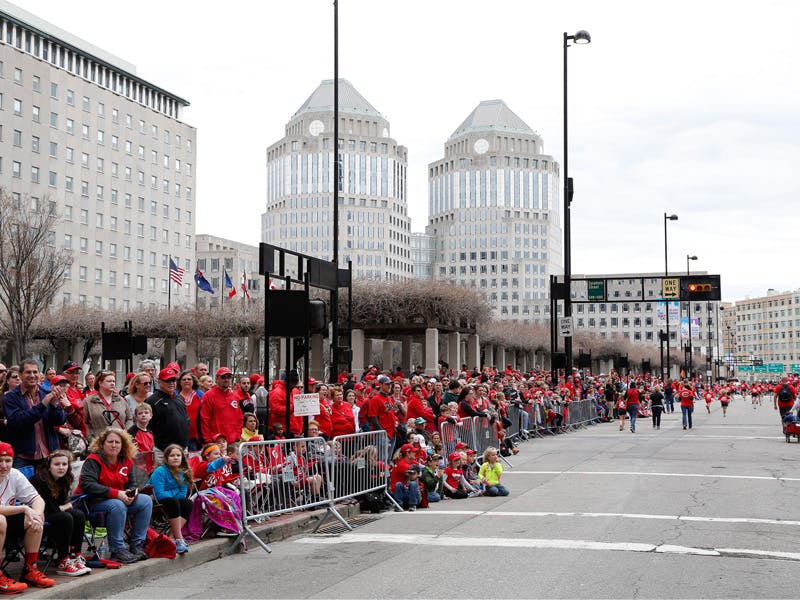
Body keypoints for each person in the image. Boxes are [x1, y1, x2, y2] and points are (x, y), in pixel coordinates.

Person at [77, 427, 153, 564]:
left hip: (118, 500)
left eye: (117, 442)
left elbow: (132, 484)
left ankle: (137, 545)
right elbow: (87, 485)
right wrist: (117, 494)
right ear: (102, 444)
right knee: (117, 505)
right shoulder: (93, 460)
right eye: (110, 442)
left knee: (146, 500)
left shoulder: (126, 460)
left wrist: (131, 495)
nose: (114, 445)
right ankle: (117, 550)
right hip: (92, 503)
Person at [0, 442, 57, 592]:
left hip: (6, 523)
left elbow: (37, 499)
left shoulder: (14, 474)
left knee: (35, 518)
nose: (4, 465)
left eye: (8, 460)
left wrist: (37, 515)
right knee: (0, 520)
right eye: (0, 460)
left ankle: (30, 570)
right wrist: (25, 508)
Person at [29, 450, 90, 576]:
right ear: (49, 466)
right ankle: (63, 560)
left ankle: (74, 556)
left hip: (54, 512)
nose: (61, 467)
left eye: (64, 464)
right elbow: (48, 507)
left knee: (78, 515)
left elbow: (62, 503)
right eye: (57, 464)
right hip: (39, 515)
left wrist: (66, 506)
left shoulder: (64, 478)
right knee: (65, 517)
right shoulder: (39, 480)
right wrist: (65, 507)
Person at [3, 358, 67, 469]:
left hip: (48, 454)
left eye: (35, 372)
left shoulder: (46, 393)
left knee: (47, 486)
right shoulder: (10, 397)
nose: (32, 375)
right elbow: (19, 421)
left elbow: (59, 420)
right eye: (28, 372)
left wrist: (55, 404)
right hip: (23, 456)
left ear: (39, 373)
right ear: (20, 374)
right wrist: (43, 404)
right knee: (22, 486)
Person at [147, 444, 193, 554]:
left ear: (182, 458)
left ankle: (172, 537)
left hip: (171, 500)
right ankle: (179, 538)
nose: (176, 457)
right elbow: (159, 494)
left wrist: (173, 494)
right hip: (155, 500)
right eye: (172, 455)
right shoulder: (160, 471)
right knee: (174, 502)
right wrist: (174, 492)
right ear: (167, 458)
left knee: (188, 503)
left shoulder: (183, 472)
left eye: (178, 455)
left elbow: (183, 494)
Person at [146, 367, 190, 456]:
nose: (171, 383)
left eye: (173, 380)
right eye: (167, 380)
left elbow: (186, 420)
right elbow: (148, 426)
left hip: (182, 449)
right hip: (163, 451)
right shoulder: (152, 401)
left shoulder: (179, 398)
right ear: (160, 382)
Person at [200, 367, 244, 446]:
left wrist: (237, 435)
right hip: (216, 442)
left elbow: (240, 418)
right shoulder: (208, 396)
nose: (226, 380)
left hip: (232, 441)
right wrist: (208, 440)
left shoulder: (234, 396)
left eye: (228, 377)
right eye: (223, 377)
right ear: (217, 379)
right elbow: (204, 419)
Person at [84, 370, 133, 441]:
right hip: (98, 443)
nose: (112, 383)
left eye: (113, 381)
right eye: (109, 381)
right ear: (100, 383)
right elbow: (85, 422)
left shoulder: (121, 400)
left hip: (119, 442)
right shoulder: (89, 401)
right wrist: (91, 438)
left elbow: (129, 418)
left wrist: (126, 433)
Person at [177, 370, 202, 451]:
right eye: (184, 379)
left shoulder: (200, 395)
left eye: (189, 379)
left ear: (193, 381)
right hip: (179, 435)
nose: (186, 381)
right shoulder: (174, 395)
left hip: (196, 435)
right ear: (180, 382)